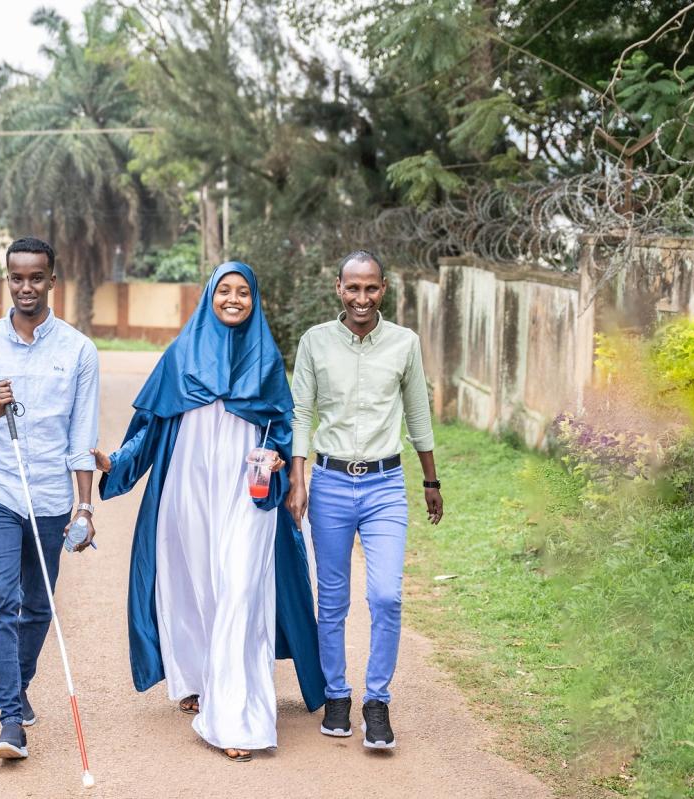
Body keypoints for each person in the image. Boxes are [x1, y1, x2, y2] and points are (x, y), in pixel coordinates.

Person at [91, 262, 324, 763]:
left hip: (248, 496)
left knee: (241, 590)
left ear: (254, 299)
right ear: (209, 297)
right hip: (188, 493)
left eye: (243, 292)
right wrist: (116, 464)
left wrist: (285, 467)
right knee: (195, 588)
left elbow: (283, 429)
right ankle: (197, 680)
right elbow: (148, 430)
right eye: (225, 291)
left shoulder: (265, 359)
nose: (234, 299)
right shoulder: (180, 356)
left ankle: (235, 717)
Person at [285, 250, 444, 750]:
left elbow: (418, 413)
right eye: (352, 288)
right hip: (329, 484)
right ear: (338, 288)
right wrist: (299, 478)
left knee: (387, 596)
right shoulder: (314, 342)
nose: (361, 298)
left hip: (384, 487)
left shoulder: (404, 343)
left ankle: (377, 702)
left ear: (384, 289)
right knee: (331, 600)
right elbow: (301, 413)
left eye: (370, 288)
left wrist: (430, 482)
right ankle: (337, 696)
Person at [0, 237, 100, 761]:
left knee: (37, 606)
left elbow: (83, 437)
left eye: (36, 277)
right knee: (1, 598)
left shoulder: (79, 350)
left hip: (51, 498)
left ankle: (20, 686)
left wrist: (84, 508)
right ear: (7, 280)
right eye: (16, 278)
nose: (26, 287)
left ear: (52, 280)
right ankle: (10, 720)